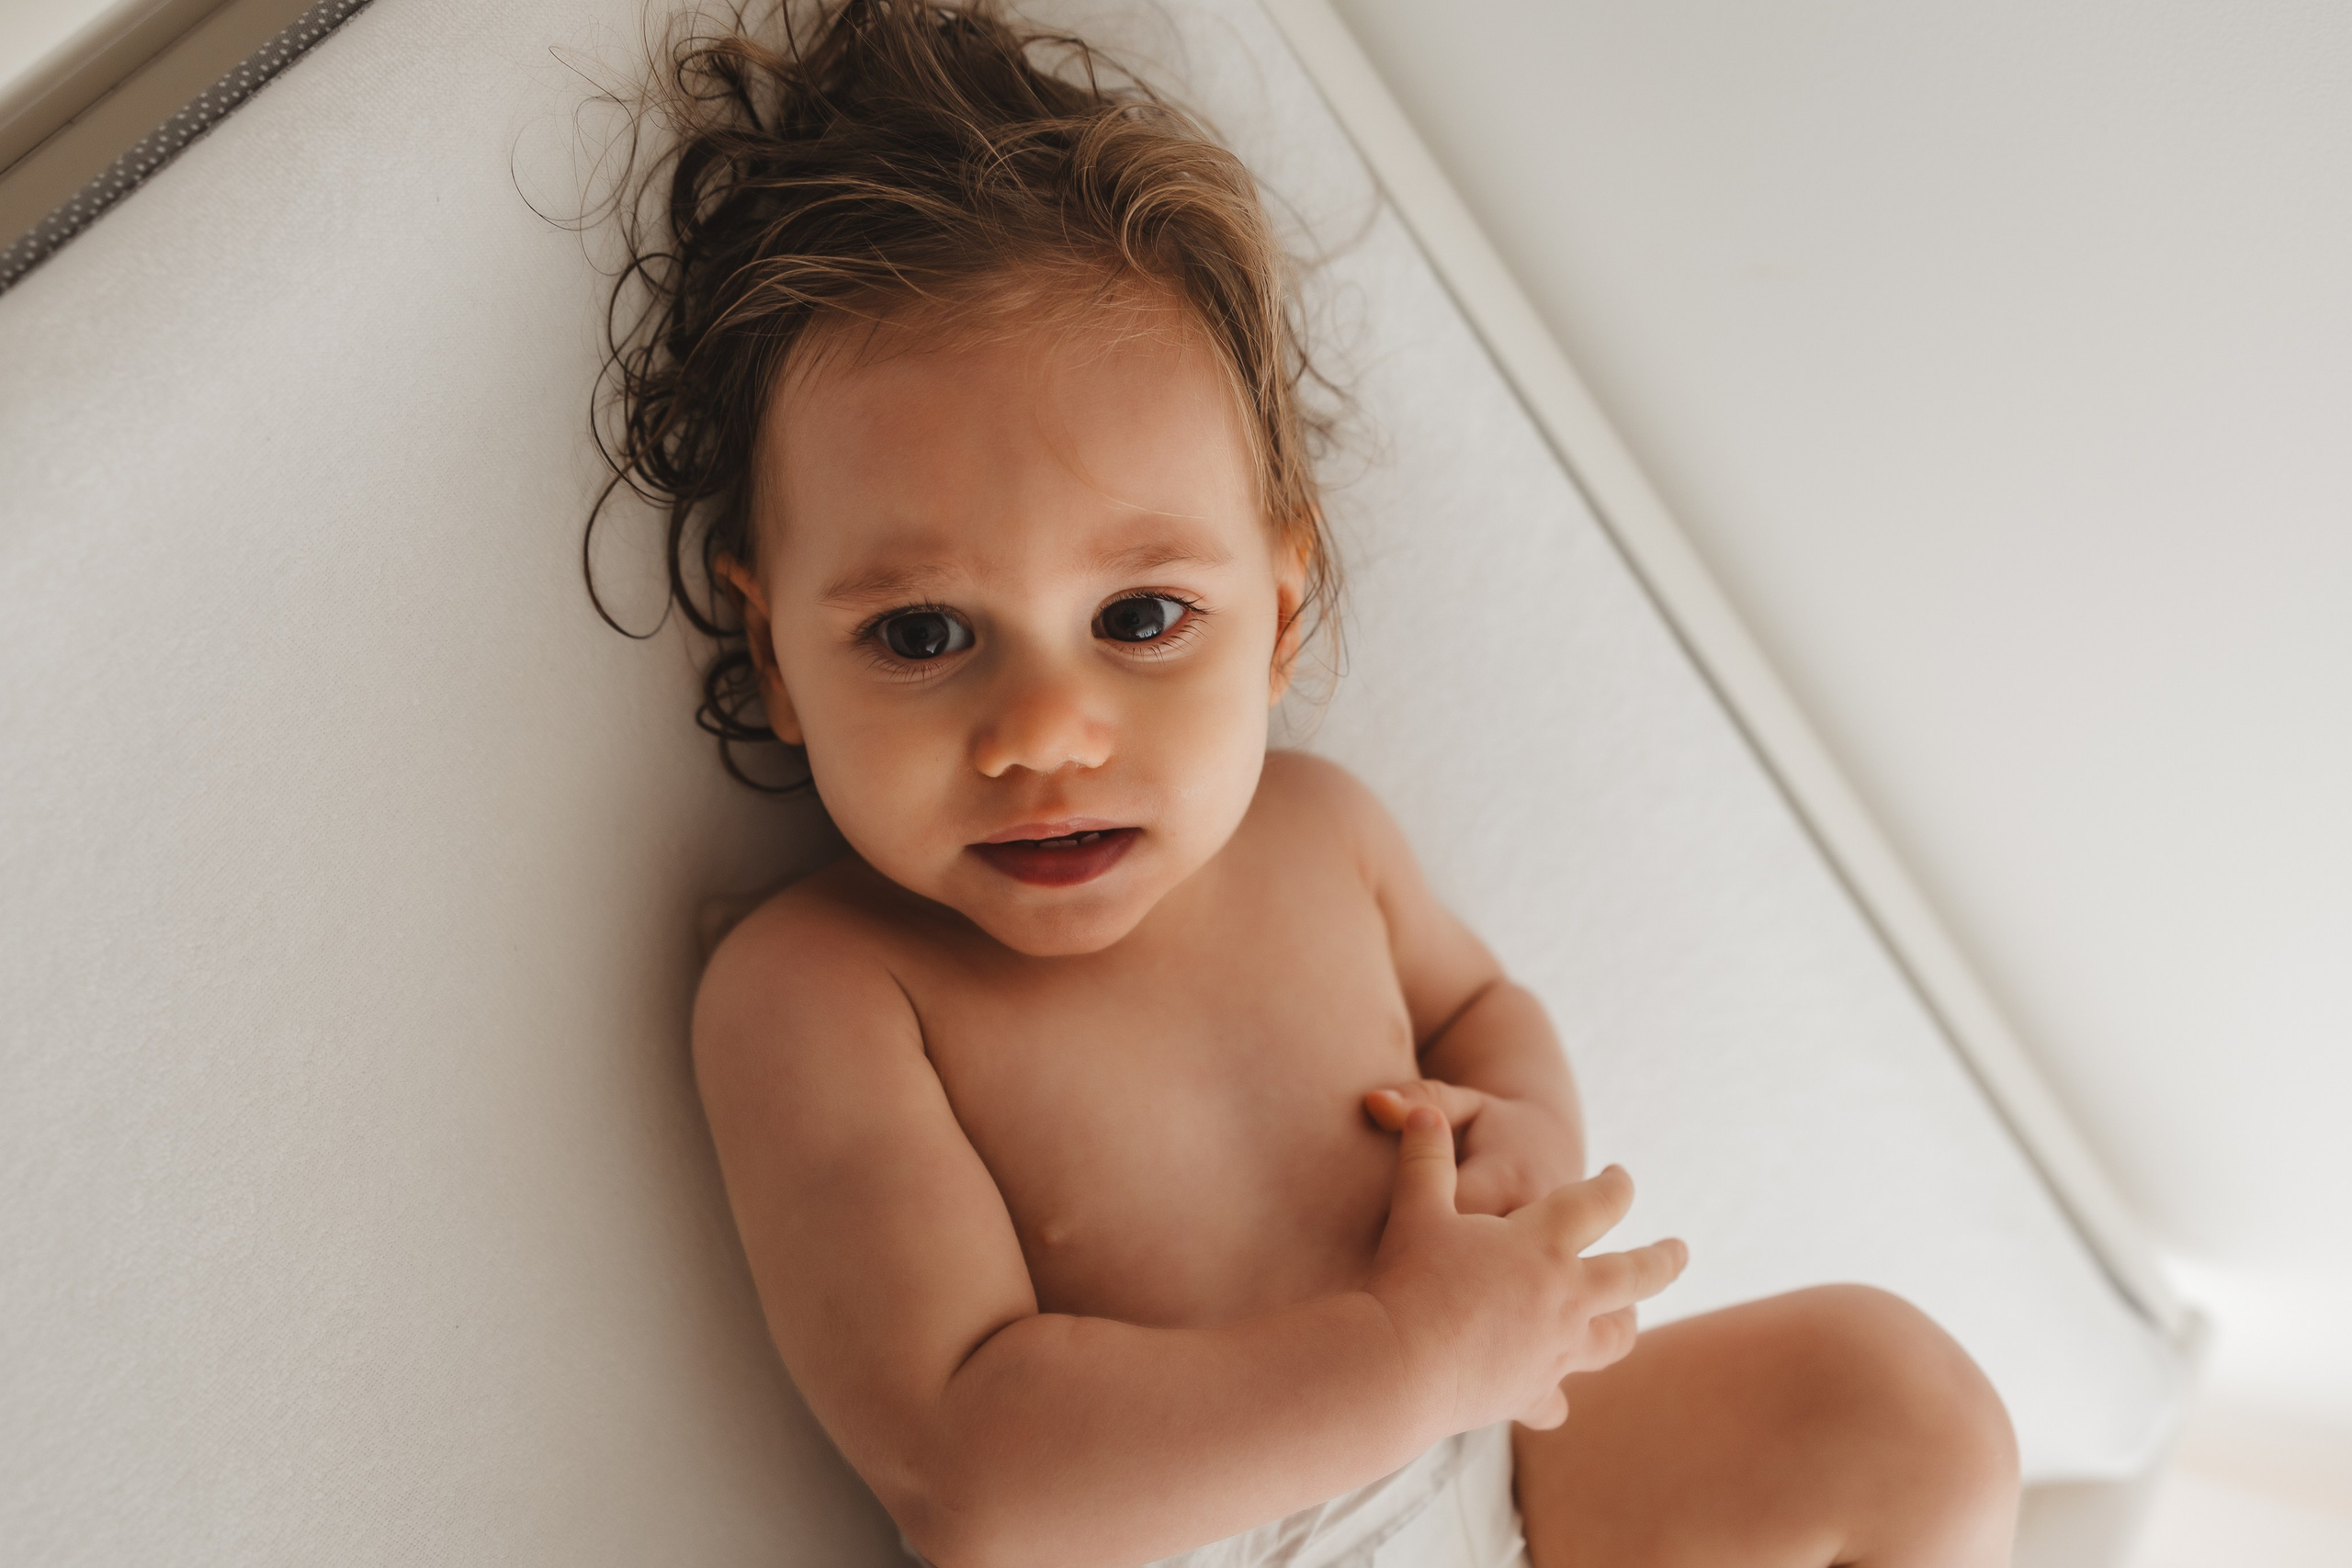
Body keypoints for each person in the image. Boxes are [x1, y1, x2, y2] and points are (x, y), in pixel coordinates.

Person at [588, 4, 2021, 1563]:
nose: (1046, 734)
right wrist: (1409, 1360)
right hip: (1203, 1536)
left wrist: (1521, 1137)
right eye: (921, 633)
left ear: (1276, 615)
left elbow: (1483, 1015)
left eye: (1139, 618)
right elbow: (975, 1478)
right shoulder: (820, 992)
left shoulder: (1323, 834)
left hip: (1508, 1477)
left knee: (1902, 1405)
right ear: (776, 652)